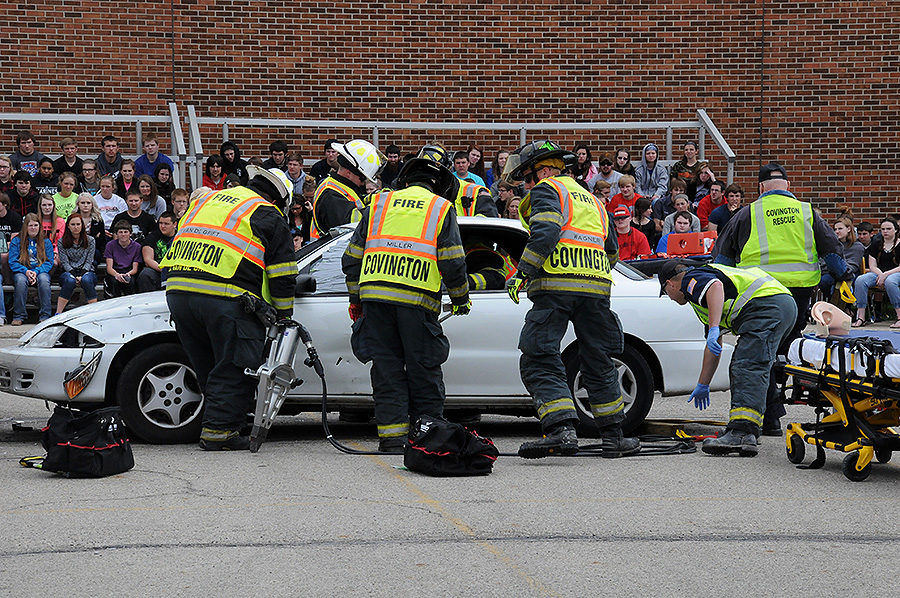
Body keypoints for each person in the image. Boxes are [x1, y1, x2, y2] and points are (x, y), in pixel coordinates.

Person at [504, 140, 639, 459]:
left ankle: (561, 430)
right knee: (598, 358)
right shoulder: (592, 200)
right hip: (595, 288)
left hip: (556, 286)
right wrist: (590, 271)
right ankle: (614, 436)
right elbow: (612, 249)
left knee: (538, 355)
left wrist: (523, 272)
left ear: (546, 170)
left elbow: (546, 233)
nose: (526, 185)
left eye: (528, 177)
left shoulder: (548, 190)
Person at [162, 165, 297, 451]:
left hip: (178, 293)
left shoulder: (207, 200)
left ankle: (221, 420)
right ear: (279, 199)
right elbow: (283, 274)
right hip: (224, 298)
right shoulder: (267, 214)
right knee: (235, 365)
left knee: (208, 365)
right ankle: (219, 432)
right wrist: (284, 316)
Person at [342, 155, 470, 453]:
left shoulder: (378, 205)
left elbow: (351, 258)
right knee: (423, 367)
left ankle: (392, 438)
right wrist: (461, 297)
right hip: (417, 301)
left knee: (386, 369)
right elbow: (452, 261)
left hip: (376, 300)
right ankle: (429, 434)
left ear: (405, 180)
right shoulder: (440, 208)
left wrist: (355, 299)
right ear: (439, 186)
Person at [713, 162, 850, 435]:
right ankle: (776, 409)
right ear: (788, 187)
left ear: (761, 188)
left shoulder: (746, 213)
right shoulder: (807, 212)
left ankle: (770, 415)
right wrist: (844, 276)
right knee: (786, 349)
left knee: (758, 352)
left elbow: (722, 260)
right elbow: (834, 255)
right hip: (798, 296)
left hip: (761, 294)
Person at [658, 260, 796, 456]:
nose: (670, 298)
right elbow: (714, 347)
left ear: (670, 283)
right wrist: (702, 384)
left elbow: (715, 286)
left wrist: (714, 327)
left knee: (747, 365)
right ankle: (765, 422)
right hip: (778, 303)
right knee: (758, 363)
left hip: (766, 305)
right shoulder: (702, 303)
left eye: (666, 293)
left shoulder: (691, 278)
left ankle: (742, 432)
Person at [311, 139, 384, 238]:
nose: (363, 183)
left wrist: (380, 197)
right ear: (348, 173)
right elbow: (351, 225)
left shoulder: (343, 186)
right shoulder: (330, 195)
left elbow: (356, 203)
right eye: (362, 178)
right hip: (330, 252)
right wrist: (379, 209)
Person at [853, 217, 900, 328]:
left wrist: (885, 275)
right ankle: (861, 317)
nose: (885, 231)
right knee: (860, 280)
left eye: (888, 228)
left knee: (890, 282)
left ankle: (899, 316)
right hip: (878, 272)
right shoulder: (876, 244)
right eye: (883, 229)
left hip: (895, 272)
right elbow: (872, 265)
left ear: (896, 230)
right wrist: (880, 275)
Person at [9, 213, 54, 324]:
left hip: (39, 270)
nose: (33, 228)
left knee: (44, 280)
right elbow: (12, 261)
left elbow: (49, 262)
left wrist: (36, 271)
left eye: (35, 225)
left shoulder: (46, 241)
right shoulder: (17, 241)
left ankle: (45, 315)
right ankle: (19, 315)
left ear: (39, 227)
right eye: (30, 226)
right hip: (22, 271)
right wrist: (26, 271)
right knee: (20, 281)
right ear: (25, 227)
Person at [56, 212, 97, 314]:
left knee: (86, 280)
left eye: (78, 224)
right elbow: (64, 262)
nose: (76, 227)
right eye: (73, 224)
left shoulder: (90, 240)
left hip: (87, 270)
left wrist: (82, 274)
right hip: (68, 272)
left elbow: (89, 260)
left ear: (82, 226)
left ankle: (94, 312)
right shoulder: (61, 242)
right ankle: (58, 313)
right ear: (68, 226)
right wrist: (74, 275)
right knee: (69, 281)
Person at [820, 211, 864, 302]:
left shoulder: (857, 246)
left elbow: (853, 266)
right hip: (829, 273)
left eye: (840, 229)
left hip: (848, 274)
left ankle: (845, 308)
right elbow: (823, 262)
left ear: (848, 229)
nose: (837, 231)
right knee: (824, 281)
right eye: (835, 229)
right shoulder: (831, 245)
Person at [137, 211, 176, 293]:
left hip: (176, 270)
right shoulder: (152, 236)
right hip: (157, 269)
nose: (162, 226)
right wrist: (164, 270)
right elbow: (148, 260)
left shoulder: (181, 237)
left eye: (166, 224)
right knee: (145, 274)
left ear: (174, 224)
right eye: (161, 223)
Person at [104, 220, 142, 297]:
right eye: (120, 232)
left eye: (126, 232)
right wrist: (117, 275)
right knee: (113, 283)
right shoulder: (110, 245)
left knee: (131, 283)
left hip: (129, 273)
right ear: (117, 234)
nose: (123, 234)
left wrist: (128, 274)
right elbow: (109, 267)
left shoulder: (137, 247)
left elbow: (135, 269)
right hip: (114, 272)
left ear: (130, 233)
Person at [75, 192, 107, 261]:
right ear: (78, 204)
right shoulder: (73, 219)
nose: (86, 205)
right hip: (75, 249)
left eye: (88, 203)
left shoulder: (98, 220)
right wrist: (94, 236)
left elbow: (102, 240)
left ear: (92, 204)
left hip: (94, 249)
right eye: (83, 203)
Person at [0, 192, 23, 285]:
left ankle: (8, 284)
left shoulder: (14, 217)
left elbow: (15, 239)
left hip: (10, 246)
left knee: (5, 256)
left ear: (5, 204)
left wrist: (5, 247)